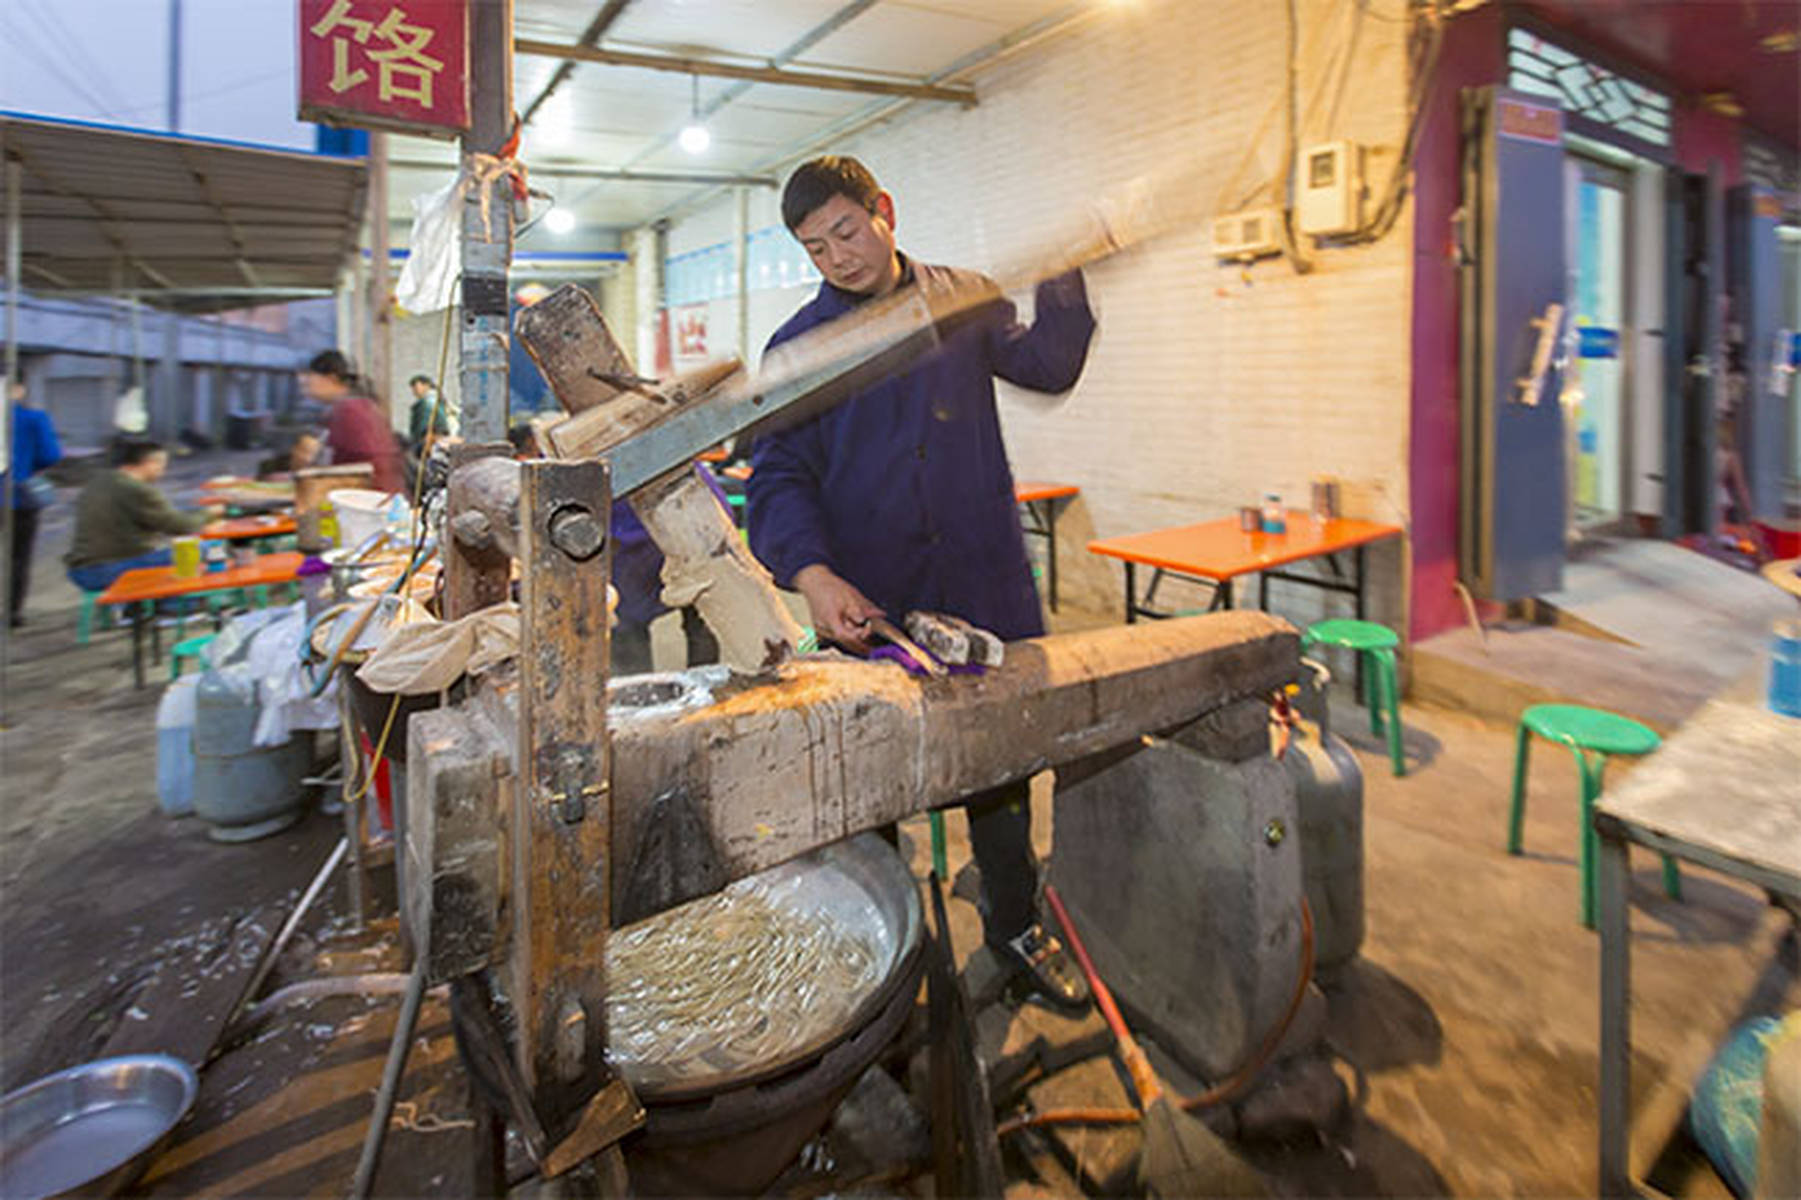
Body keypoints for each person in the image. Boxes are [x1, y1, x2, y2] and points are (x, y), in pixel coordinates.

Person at [745, 156, 1096, 1010]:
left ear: (883, 211)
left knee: (999, 775)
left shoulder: (961, 298)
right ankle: (881, 974)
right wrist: (813, 575)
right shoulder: (801, 346)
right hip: (870, 604)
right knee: (868, 788)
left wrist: (1065, 274)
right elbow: (778, 470)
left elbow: (1045, 367)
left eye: (846, 231)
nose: (839, 257)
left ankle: (1015, 931)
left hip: (979, 587)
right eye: (815, 247)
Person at [65, 438, 220, 594]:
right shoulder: (136, 489)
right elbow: (181, 526)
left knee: (171, 550)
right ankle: (171, 608)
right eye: (161, 465)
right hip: (108, 569)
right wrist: (209, 513)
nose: (162, 471)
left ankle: (137, 606)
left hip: (81, 569)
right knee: (208, 548)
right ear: (149, 462)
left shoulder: (99, 482)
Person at [301, 350, 404, 494]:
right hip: (383, 497)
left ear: (331, 378)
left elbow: (366, 466)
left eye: (310, 381)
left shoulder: (349, 410)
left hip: (370, 500)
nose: (307, 388)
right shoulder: (363, 404)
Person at [4, 381, 63, 627]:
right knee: (18, 556)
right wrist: (26, 468)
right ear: (18, 388)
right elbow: (50, 455)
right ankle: (12, 613)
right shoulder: (32, 418)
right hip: (18, 497)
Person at [256, 431, 322, 480]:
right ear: (294, 449)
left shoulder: (317, 471)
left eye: (313, 453)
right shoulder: (271, 465)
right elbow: (259, 481)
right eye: (304, 450)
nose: (307, 457)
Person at [407, 374, 451, 447]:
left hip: (430, 441)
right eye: (412, 388)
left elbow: (424, 424)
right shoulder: (437, 400)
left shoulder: (427, 403)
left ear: (426, 385)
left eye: (416, 386)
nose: (413, 390)